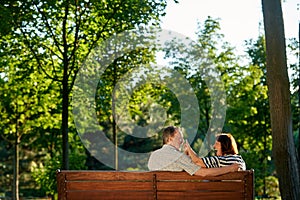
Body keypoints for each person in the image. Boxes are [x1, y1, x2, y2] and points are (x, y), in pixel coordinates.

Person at [147, 126, 239, 176]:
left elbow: (173, 164)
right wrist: (230, 168)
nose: (182, 141)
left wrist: (184, 156)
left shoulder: (153, 156)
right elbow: (203, 173)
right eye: (180, 138)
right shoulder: (179, 157)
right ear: (170, 138)